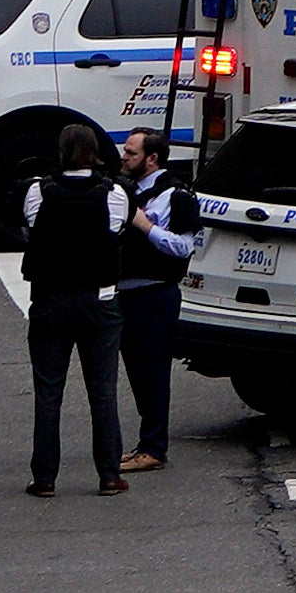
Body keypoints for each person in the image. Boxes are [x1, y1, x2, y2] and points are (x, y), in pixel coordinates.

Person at [18, 129, 123, 495]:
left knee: (48, 392)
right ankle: (109, 475)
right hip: (99, 300)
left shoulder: (38, 192)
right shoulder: (113, 193)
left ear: (61, 152)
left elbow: (33, 230)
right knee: (103, 391)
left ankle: (44, 478)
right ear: (94, 153)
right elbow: (115, 235)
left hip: (50, 300)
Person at [106, 129, 183, 475]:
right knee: (137, 372)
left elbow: (183, 246)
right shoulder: (126, 190)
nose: (124, 158)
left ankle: (154, 447)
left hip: (155, 293)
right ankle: (146, 443)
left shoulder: (175, 195)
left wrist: (144, 226)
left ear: (152, 158)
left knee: (153, 373)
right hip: (126, 294)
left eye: (132, 153)